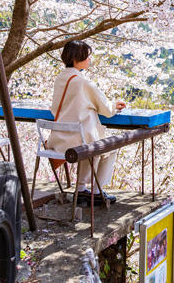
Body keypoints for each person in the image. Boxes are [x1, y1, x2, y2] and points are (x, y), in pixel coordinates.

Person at [46, 40, 125, 204]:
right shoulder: (83, 82)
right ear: (77, 58)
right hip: (79, 143)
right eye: (87, 57)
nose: (89, 60)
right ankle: (96, 190)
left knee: (92, 143)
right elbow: (106, 109)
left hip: (59, 140)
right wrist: (114, 106)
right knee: (108, 148)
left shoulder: (60, 79)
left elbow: (55, 109)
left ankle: (81, 188)